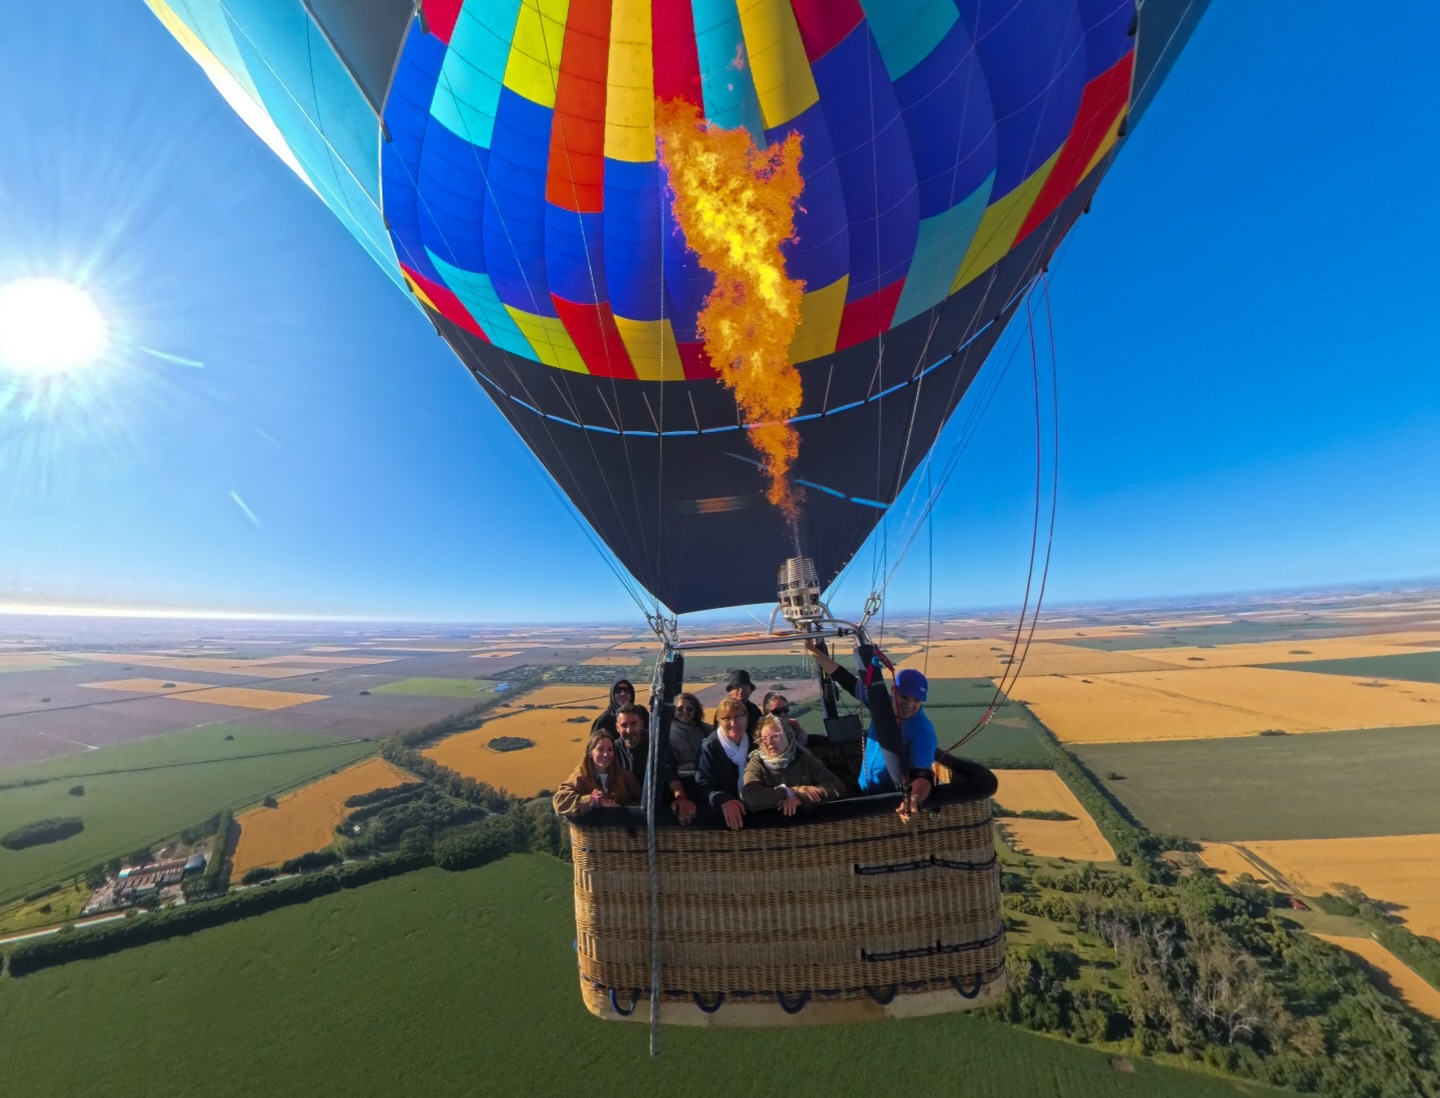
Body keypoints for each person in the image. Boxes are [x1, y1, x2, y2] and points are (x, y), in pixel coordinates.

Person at [805, 641, 936, 819]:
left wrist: (913, 799)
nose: (910, 705)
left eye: (917, 701)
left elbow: (922, 774)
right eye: (905, 697)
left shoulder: (923, 731)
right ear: (893, 690)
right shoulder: (882, 703)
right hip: (864, 788)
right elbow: (845, 679)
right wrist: (814, 652)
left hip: (889, 801)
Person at [742, 714, 845, 816]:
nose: (769, 742)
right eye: (764, 739)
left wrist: (803, 797)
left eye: (774, 737)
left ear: (787, 735)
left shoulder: (803, 758)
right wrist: (791, 791)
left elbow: (836, 785)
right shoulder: (756, 763)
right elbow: (750, 797)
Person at [614, 703, 696, 824]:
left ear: (641, 724)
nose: (629, 730)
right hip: (627, 810)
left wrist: (681, 798)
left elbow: (669, 772)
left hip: (658, 807)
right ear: (617, 728)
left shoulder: (656, 743)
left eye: (633, 724)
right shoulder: (613, 749)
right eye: (624, 725)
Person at [694, 696, 751, 830]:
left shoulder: (754, 745)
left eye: (738, 716)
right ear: (719, 721)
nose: (733, 722)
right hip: (721, 821)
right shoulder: (709, 747)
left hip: (751, 814)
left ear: (746, 718)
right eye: (727, 718)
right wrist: (724, 800)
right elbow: (702, 787)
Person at [552, 731, 640, 817]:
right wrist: (594, 800)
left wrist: (621, 811)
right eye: (600, 749)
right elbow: (559, 801)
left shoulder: (624, 776)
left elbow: (640, 801)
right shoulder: (581, 777)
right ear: (590, 752)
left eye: (610, 749)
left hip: (619, 831)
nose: (606, 754)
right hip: (591, 831)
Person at [667, 692, 708, 784]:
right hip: (680, 780)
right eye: (680, 709)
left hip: (702, 777)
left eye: (689, 709)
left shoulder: (700, 729)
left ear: (695, 712)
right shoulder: (668, 732)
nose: (685, 712)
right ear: (674, 711)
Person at [725, 669, 763, 733]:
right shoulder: (723, 711)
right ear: (730, 691)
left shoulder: (755, 711)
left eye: (744, 686)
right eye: (737, 686)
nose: (741, 690)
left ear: (750, 691)